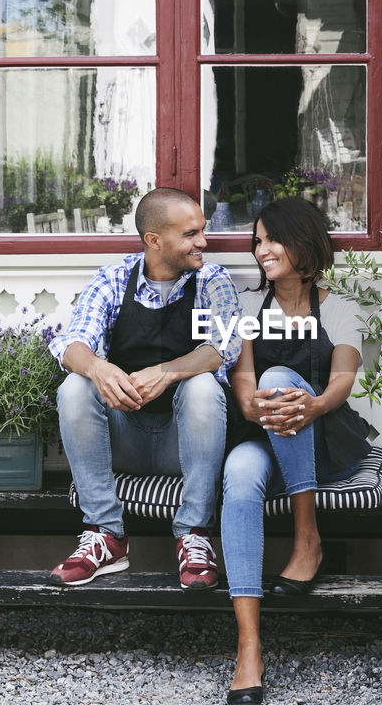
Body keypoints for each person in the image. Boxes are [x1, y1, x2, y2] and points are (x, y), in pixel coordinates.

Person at [48, 188, 242, 590]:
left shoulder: (211, 279)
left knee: (203, 384)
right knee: (74, 386)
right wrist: (99, 369)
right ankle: (106, 535)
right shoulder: (114, 277)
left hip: (183, 444)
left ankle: (195, 535)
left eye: (201, 231)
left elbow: (224, 348)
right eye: (190, 234)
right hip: (125, 440)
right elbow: (71, 344)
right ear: (154, 240)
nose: (203, 242)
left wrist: (168, 372)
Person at [220, 198, 372, 705]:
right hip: (264, 434)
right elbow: (242, 383)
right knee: (240, 473)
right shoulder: (243, 306)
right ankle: (248, 647)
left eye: (272, 239)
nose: (262, 250)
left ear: (304, 243)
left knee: (281, 377)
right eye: (257, 240)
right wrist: (254, 406)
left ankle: (308, 539)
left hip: (322, 437)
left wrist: (311, 406)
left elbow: (342, 381)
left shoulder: (341, 304)